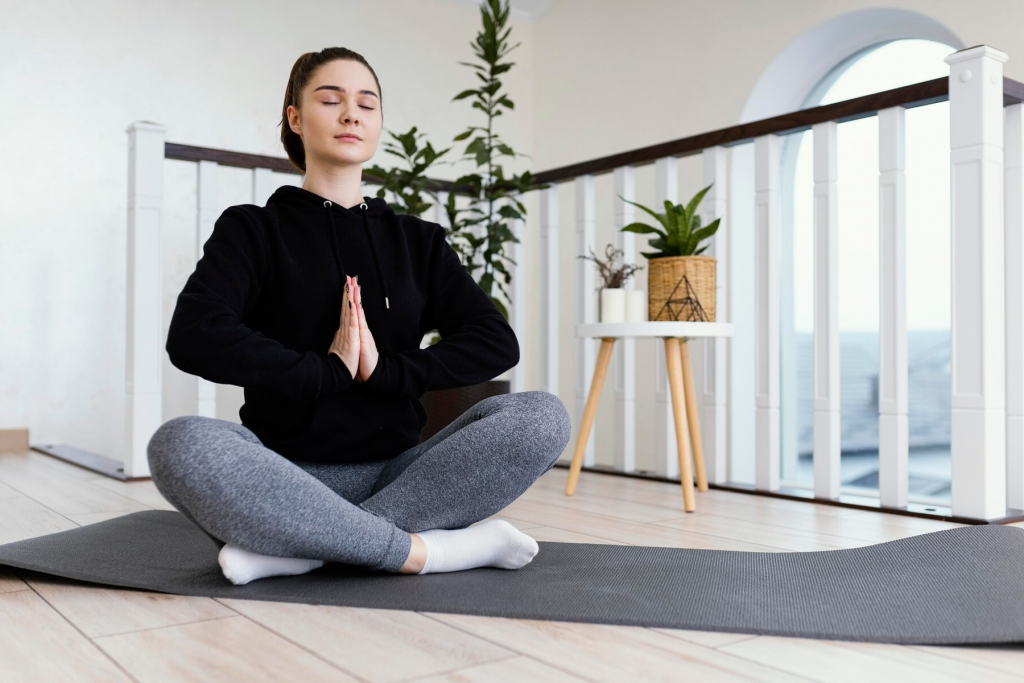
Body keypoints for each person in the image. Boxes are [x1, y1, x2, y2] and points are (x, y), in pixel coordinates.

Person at [146, 47, 572, 586]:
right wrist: (325, 372)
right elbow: (195, 336)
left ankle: (304, 546)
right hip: (283, 475)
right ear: (295, 119)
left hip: (401, 475)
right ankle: (428, 553)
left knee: (541, 415)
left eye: (366, 104)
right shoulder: (253, 229)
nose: (351, 114)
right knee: (179, 443)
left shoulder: (418, 241)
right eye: (331, 99)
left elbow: (494, 341)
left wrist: (389, 372)